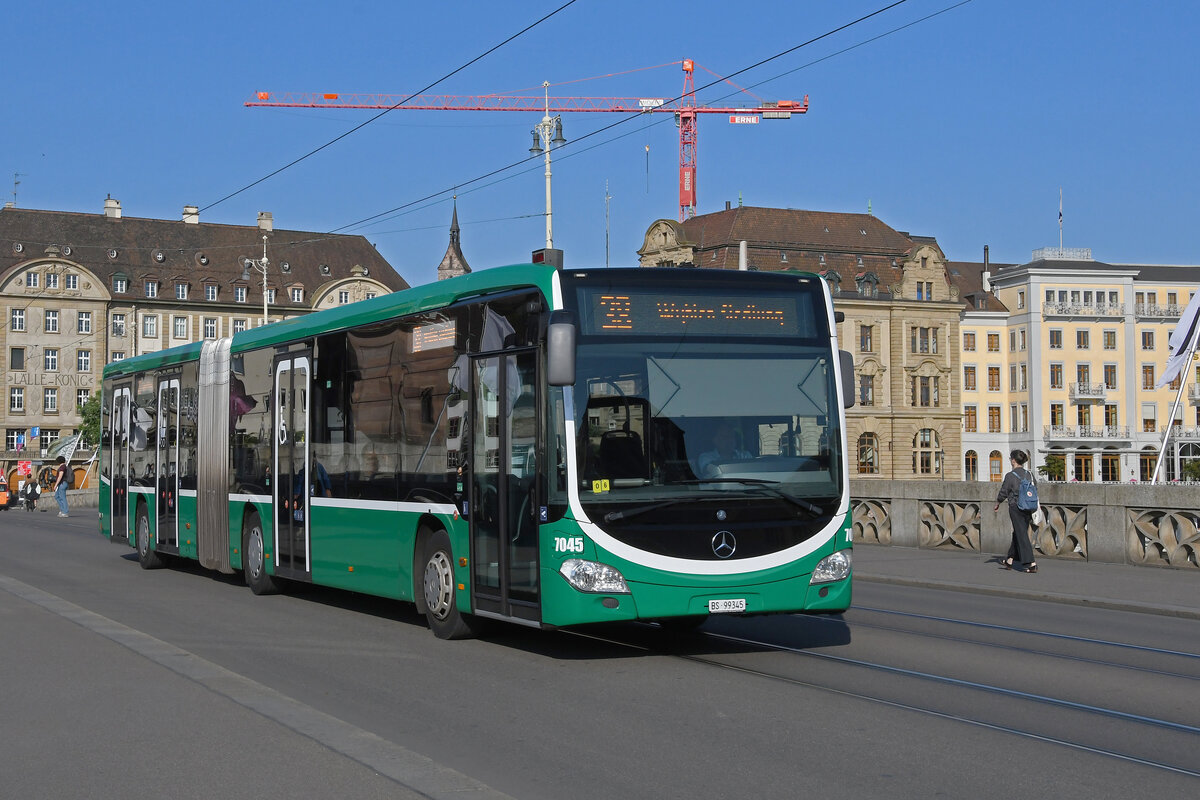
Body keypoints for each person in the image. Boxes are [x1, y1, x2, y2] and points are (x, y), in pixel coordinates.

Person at [994, 449, 1037, 573]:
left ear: (1013, 460)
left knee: (1022, 534)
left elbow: (1004, 491)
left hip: (1016, 507)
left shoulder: (1010, 476)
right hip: (1029, 507)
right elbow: (1035, 488)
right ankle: (1010, 560)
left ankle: (1031, 563)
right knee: (1019, 532)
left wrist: (998, 502)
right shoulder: (1029, 474)